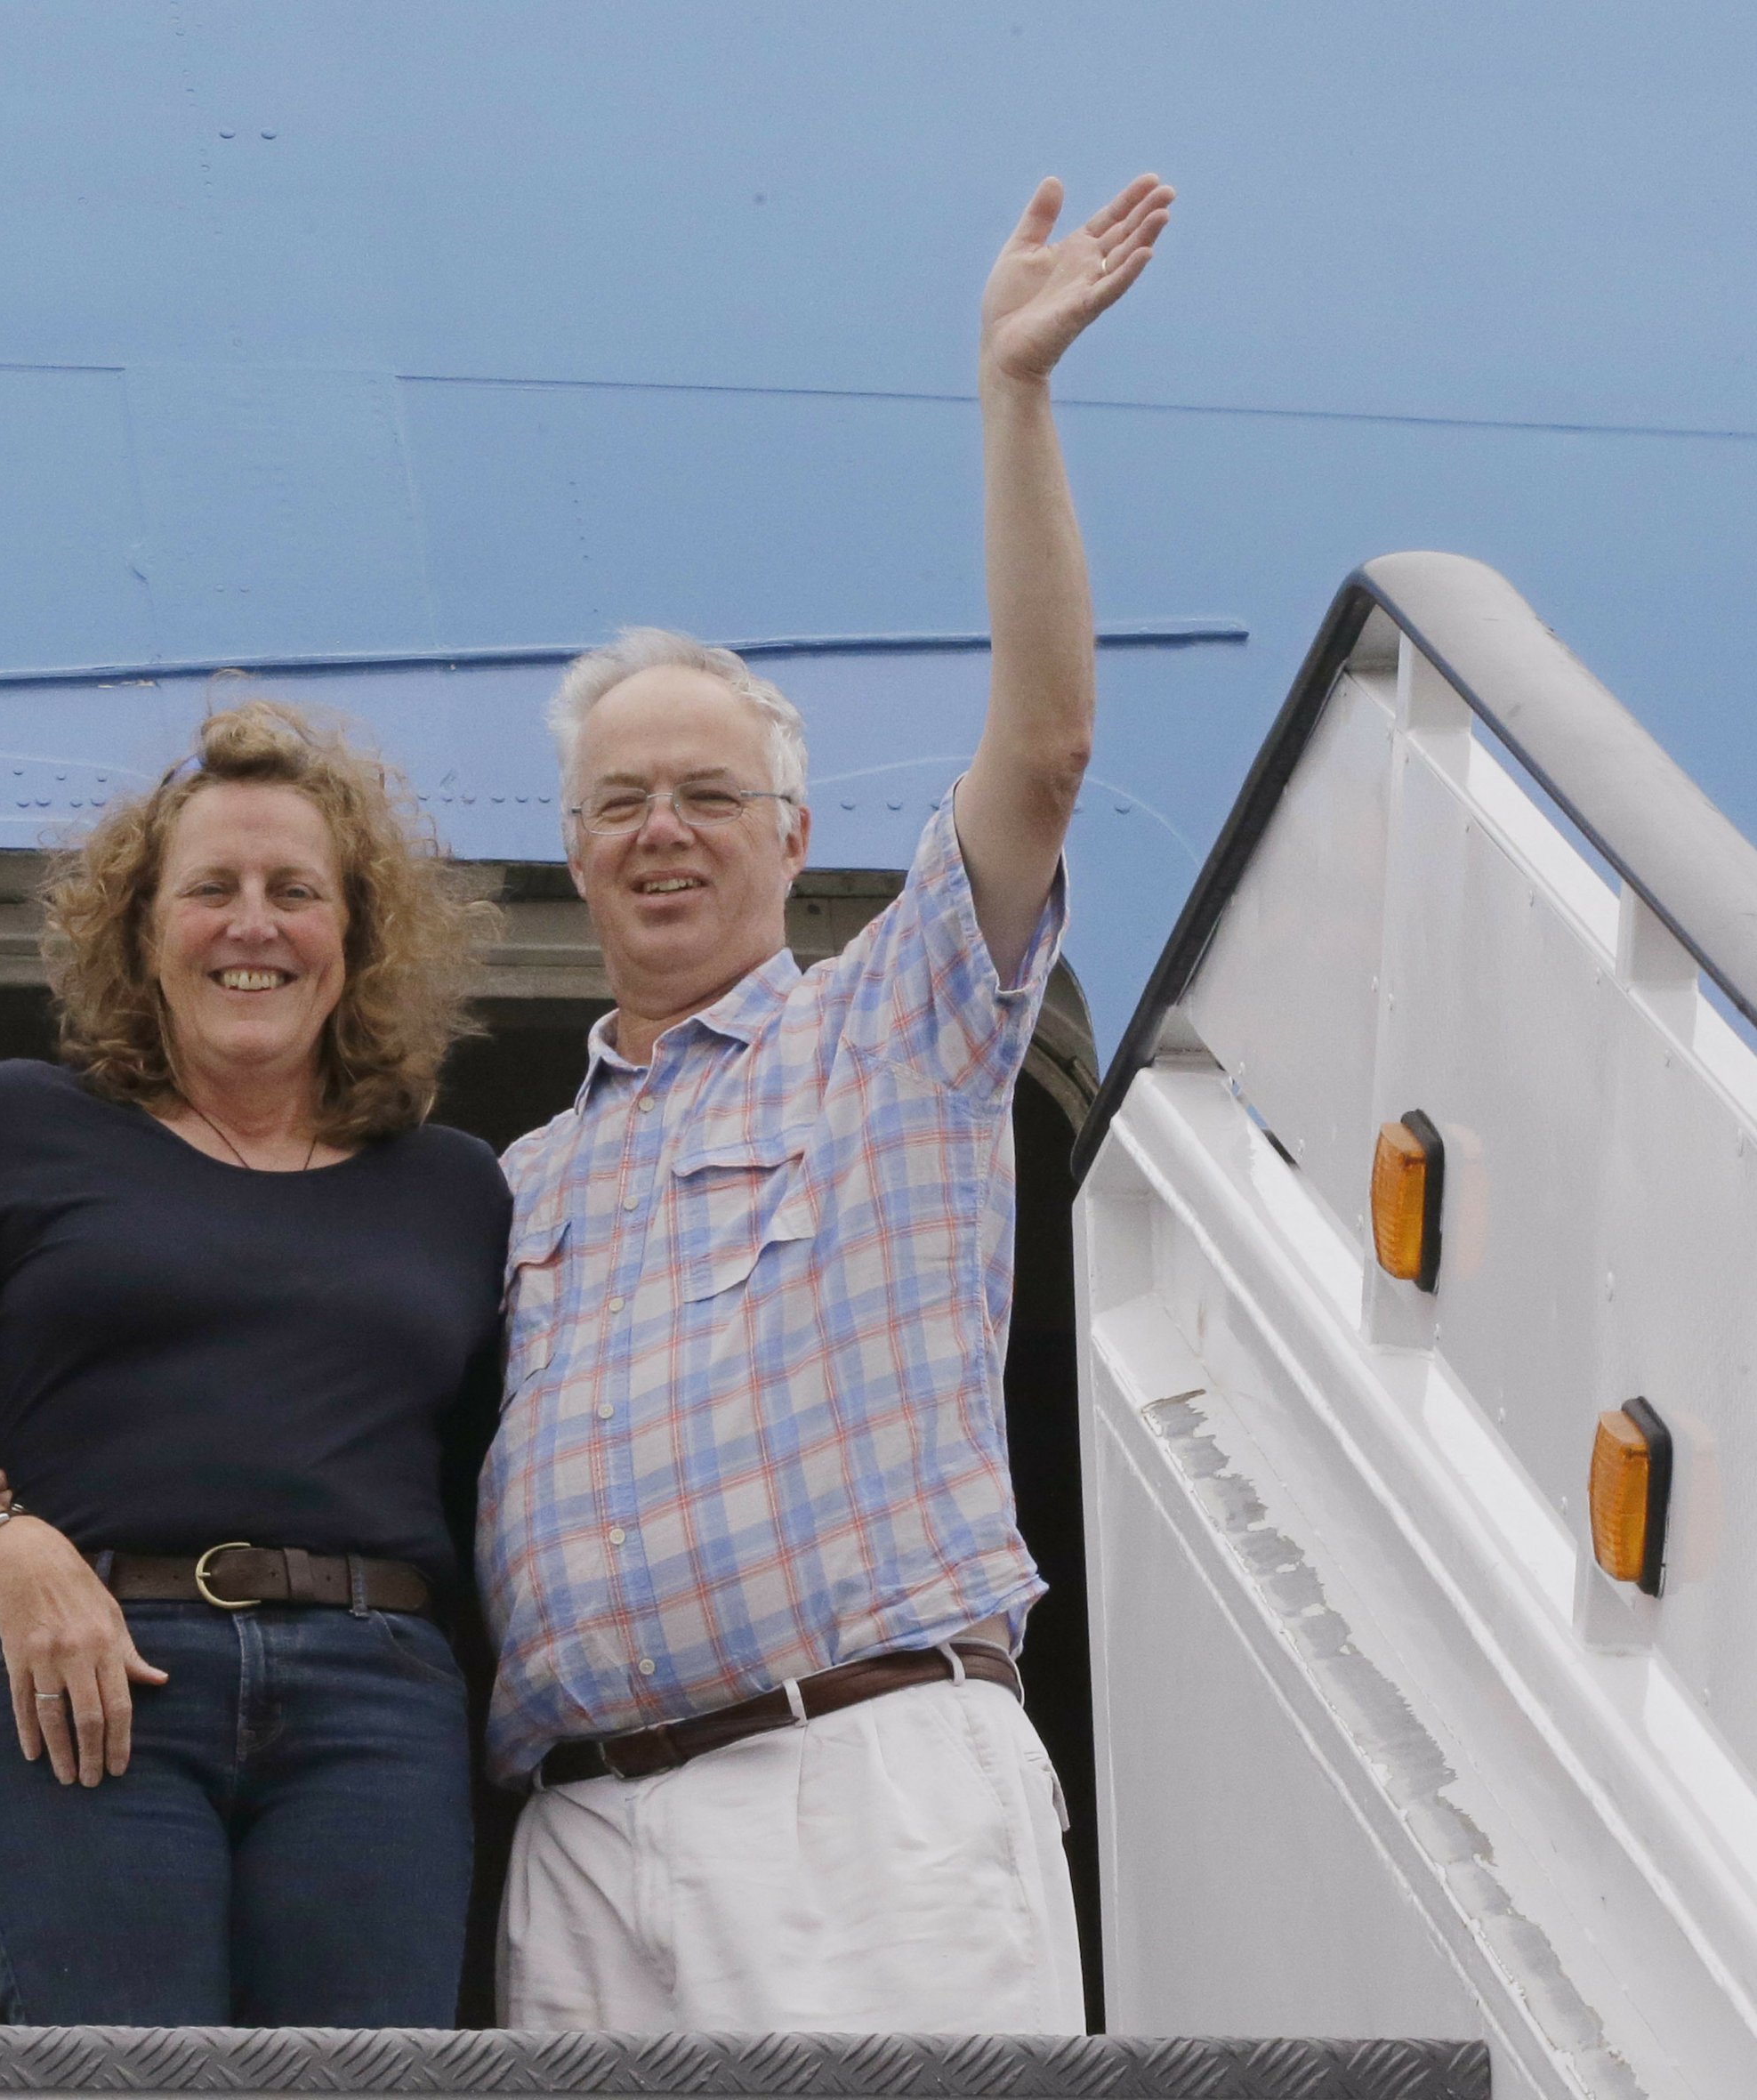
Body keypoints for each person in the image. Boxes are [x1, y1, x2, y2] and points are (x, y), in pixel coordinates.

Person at [479, 173, 1174, 2031]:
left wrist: (1013, 393)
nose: (663, 830)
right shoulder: (519, 1179)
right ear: (575, 852)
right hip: (579, 1838)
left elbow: (1046, 751)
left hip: (858, 1786)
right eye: (621, 802)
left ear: (793, 838)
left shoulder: (896, 1026)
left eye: (709, 795)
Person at [0, 699, 509, 2027]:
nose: (253, 924)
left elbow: (490, 1498)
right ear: (140, 930)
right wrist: (6, 1547)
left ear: (356, 935)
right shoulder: (17, 1125)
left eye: (295, 891)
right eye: (211, 889)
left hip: (380, 1710)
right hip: (93, 1680)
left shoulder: (457, 1188)